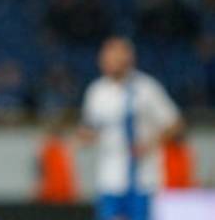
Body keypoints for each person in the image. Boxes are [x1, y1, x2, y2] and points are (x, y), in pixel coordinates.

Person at [77, 36, 184, 220]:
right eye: (105, 57)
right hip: (110, 178)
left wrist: (151, 144)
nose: (107, 61)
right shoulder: (96, 92)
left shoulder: (147, 88)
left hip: (143, 178)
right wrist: (84, 137)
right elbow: (89, 128)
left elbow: (175, 123)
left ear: (128, 58)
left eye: (114, 56)